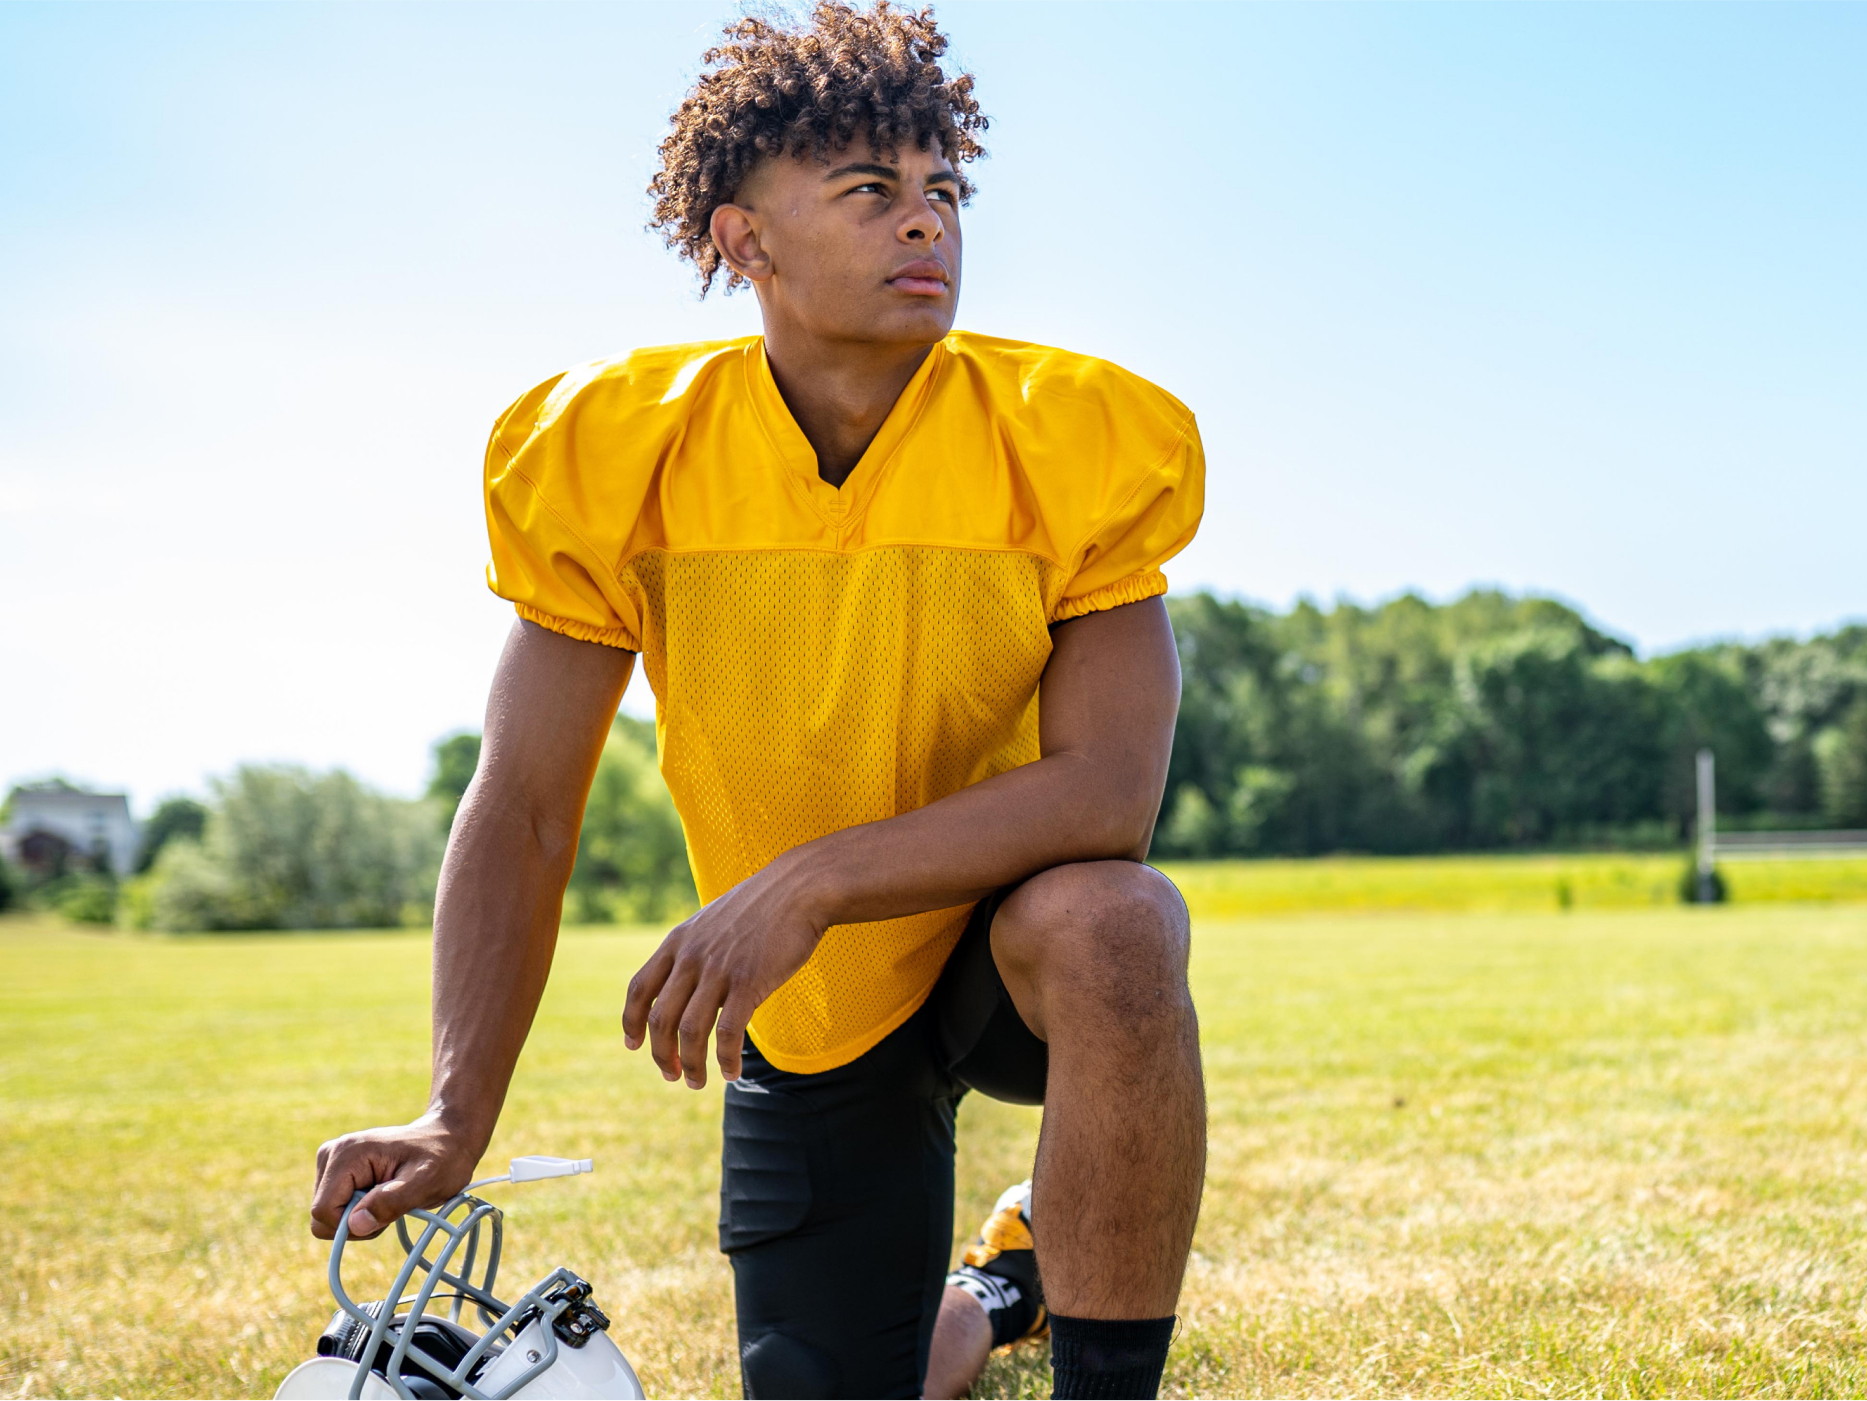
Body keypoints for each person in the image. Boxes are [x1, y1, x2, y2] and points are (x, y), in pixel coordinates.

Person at [304, 5, 1206, 1397]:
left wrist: (811, 878)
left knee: (1120, 920)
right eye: (871, 191)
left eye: (944, 191)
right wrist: (451, 1112)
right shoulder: (620, 449)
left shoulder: (1073, 434)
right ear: (744, 239)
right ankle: (997, 1279)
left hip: (1002, 943)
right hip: (810, 1005)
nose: (929, 225)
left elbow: (1107, 795)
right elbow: (529, 805)